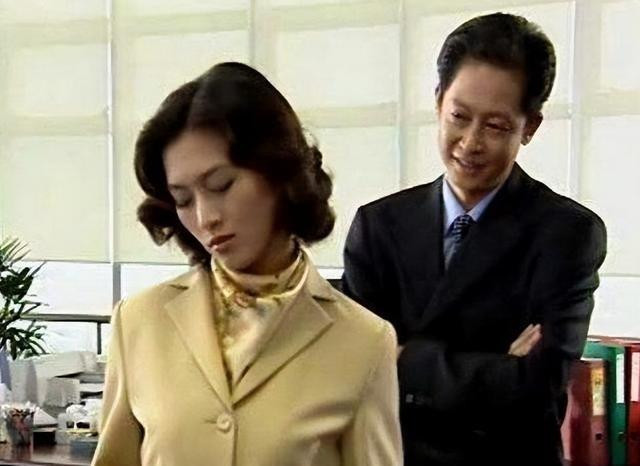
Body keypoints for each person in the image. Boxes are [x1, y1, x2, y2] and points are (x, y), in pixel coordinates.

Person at [92, 62, 402, 466]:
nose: (205, 217)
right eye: (183, 199)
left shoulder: (364, 342)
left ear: (278, 173)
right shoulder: (138, 322)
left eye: (221, 185)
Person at [342, 13, 607, 466]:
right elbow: (355, 370)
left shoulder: (567, 233)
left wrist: (402, 358)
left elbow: (537, 386)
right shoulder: (379, 225)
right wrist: (497, 368)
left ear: (530, 126)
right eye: (459, 117)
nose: (470, 142)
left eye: (496, 126)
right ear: (438, 101)